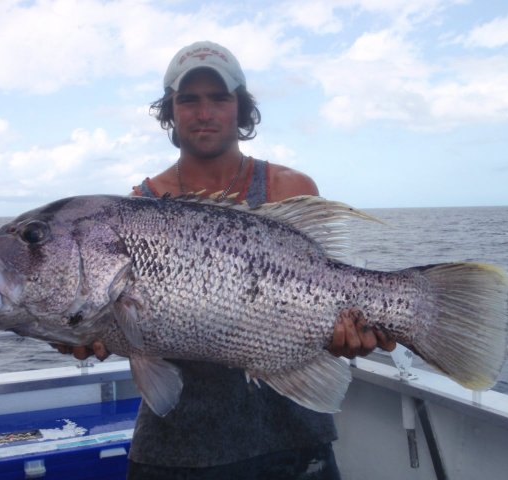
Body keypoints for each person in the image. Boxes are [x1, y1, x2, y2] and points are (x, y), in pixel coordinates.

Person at [61, 41, 395, 479]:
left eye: (219, 98)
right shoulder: (140, 208)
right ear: (170, 112)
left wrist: (346, 333)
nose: (204, 112)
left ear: (241, 109)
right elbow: (125, 330)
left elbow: (327, 297)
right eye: (189, 99)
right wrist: (81, 330)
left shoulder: (290, 187)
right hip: (179, 448)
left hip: (292, 439)